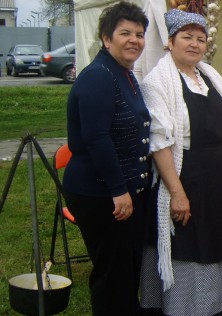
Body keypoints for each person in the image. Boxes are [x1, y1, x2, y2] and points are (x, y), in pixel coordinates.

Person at [137, 9, 222, 315]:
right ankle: (191, 308)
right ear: (170, 42)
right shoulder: (157, 83)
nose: (194, 44)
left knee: (221, 246)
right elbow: (161, 142)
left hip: (220, 183)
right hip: (187, 181)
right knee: (192, 250)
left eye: (200, 39)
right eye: (186, 37)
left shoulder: (211, 78)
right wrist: (177, 192)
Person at [62, 2, 150, 314]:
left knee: (126, 269)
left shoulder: (123, 73)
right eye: (125, 32)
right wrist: (118, 189)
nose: (134, 40)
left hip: (121, 190)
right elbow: (96, 138)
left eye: (139, 34)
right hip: (100, 192)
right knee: (112, 274)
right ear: (106, 38)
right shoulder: (98, 76)